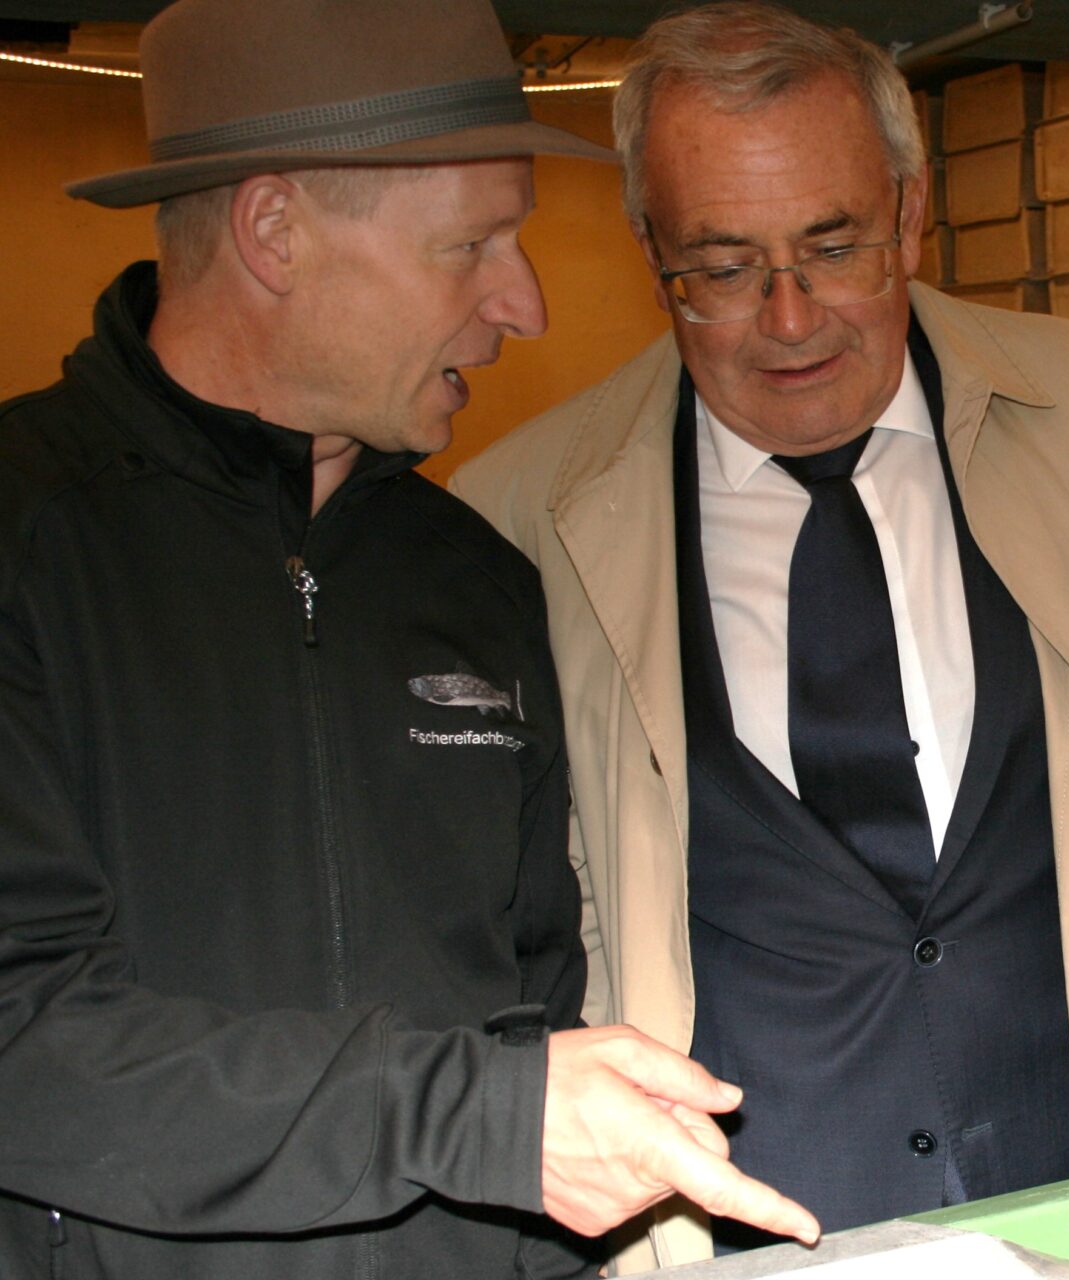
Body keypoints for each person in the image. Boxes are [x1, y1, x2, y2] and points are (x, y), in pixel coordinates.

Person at [454, 1, 1069, 1266]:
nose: (790, 321)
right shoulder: (516, 517)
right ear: (648, 249)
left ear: (911, 212)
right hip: (736, 1239)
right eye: (722, 268)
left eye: (834, 247)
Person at [0, 0, 818, 1276]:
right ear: (276, 230)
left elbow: (532, 1004)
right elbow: (23, 1038)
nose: (526, 302)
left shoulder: (475, 577)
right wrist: (473, 1118)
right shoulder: (26, 540)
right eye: (474, 243)